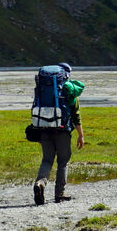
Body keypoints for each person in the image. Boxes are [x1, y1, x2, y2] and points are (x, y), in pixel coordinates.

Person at [31, 63, 84, 205]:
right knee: (63, 162)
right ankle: (59, 194)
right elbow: (76, 115)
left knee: (47, 159)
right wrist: (81, 135)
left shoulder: (42, 90)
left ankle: (40, 183)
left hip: (44, 128)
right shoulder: (68, 90)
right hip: (62, 130)